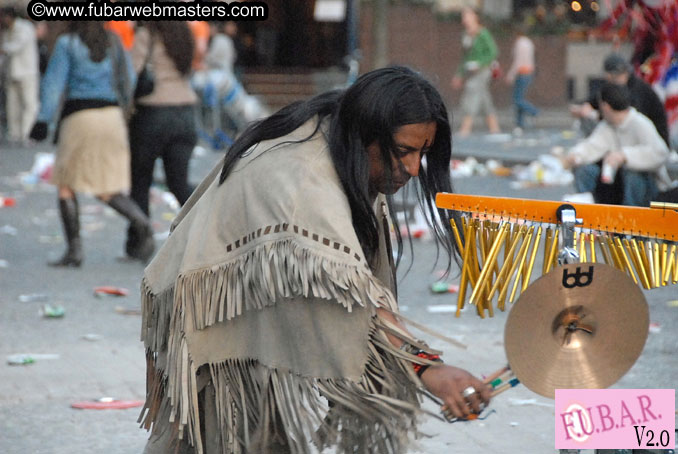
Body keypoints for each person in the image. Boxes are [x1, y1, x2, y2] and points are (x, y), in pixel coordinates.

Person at [139, 66, 492, 454]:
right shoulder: (304, 178)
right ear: (365, 137)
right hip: (208, 310)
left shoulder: (342, 142)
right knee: (212, 437)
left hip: (255, 300)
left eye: (422, 153)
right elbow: (350, 292)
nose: (412, 169)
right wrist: (426, 367)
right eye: (403, 151)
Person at [29, 21, 155, 267]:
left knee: (66, 184)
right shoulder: (114, 41)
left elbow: (54, 84)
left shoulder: (68, 43)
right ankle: (142, 222)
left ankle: (74, 251)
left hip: (80, 119)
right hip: (112, 119)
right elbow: (129, 78)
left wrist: (43, 120)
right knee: (106, 187)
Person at [125, 21, 198, 259]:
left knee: (140, 180)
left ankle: (139, 241)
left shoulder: (148, 33)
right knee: (179, 183)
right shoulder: (185, 33)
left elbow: (133, 72)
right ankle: (203, 232)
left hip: (153, 113)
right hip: (186, 112)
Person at [562, 82, 671, 207]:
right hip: (617, 184)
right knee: (584, 170)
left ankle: (632, 215)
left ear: (605, 106)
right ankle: (590, 208)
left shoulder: (639, 123)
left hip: (647, 186)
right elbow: (592, 146)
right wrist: (575, 156)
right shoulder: (608, 125)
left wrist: (625, 156)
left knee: (632, 174)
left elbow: (660, 152)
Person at [570, 53, 669, 146]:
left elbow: (624, 115)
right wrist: (584, 107)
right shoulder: (612, 87)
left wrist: (597, 115)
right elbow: (593, 101)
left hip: (649, 140)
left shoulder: (639, 89)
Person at [451, 7, 500, 137]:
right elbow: (465, 57)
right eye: (463, 17)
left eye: (467, 16)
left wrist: (481, 63)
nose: (465, 19)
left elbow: (493, 52)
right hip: (470, 71)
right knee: (483, 97)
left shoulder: (482, 33)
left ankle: (465, 128)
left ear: (475, 17)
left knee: (472, 90)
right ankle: (494, 128)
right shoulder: (466, 35)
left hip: (483, 70)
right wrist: (459, 75)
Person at [0, 5, 39, 145]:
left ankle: (26, 133)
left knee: (29, 104)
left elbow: (17, 45)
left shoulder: (25, 28)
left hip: (27, 71)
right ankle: (14, 134)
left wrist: (3, 49)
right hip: (11, 72)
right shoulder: (6, 31)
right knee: (12, 105)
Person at [505, 26, 538, 132]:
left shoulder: (520, 44)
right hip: (529, 72)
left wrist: (510, 75)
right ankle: (519, 123)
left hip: (522, 72)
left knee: (517, 99)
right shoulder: (529, 43)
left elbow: (518, 61)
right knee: (519, 97)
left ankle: (534, 111)